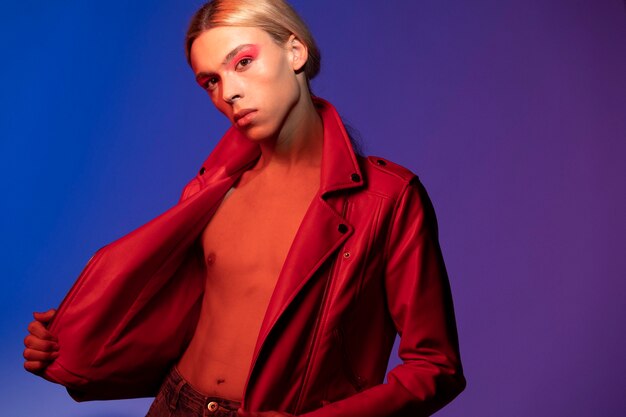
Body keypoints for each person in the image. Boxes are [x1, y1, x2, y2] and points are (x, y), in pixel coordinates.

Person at [23, 1, 466, 416]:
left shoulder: (386, 199)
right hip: (175, 402)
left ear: (295, 51)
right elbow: (174, 324)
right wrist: (72, 343)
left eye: (243, 62)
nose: (228, 93)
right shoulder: (213, 190)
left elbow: (435, 367)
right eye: (211, 81)